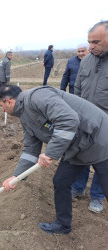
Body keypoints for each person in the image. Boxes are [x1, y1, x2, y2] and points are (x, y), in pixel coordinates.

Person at [0, 84, 108, 235]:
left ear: (9, 101)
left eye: (1, 106)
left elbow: (69, 120)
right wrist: (16, 177)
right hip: (77, 146)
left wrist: (50, 153)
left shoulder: (38, 97)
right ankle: (63, 225)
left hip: (99, 137)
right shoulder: (25, 117)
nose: (2, 110)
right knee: (61, 181)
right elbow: (30, 150)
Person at [73, 21, 108, 213]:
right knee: (82, 155)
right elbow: (77, 89)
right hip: (84, 121)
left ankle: (97, 197)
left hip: (106, 124)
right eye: (89, 42)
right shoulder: (86, 61)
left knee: (104, 163)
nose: (91, 46)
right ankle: (78, 188)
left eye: (96, 42)